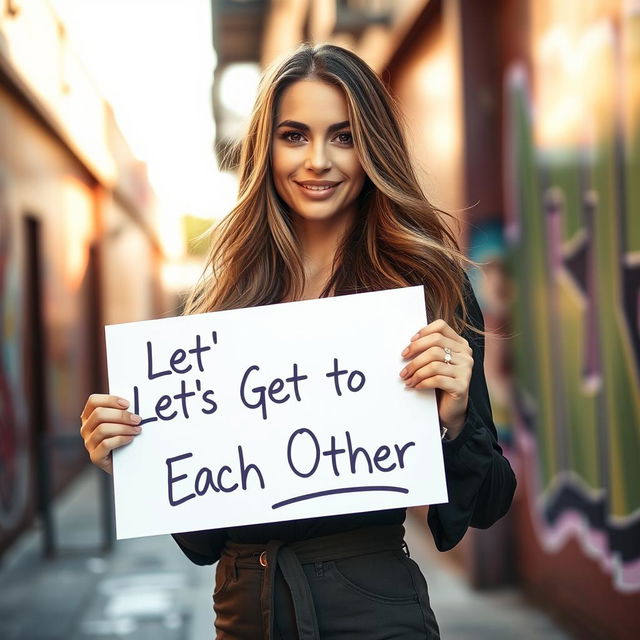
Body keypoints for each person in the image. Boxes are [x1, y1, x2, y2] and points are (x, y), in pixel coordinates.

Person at [80, 43, 516, 639]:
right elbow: (203, 541)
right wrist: (132, 459)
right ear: (266, 148)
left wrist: (454, 420)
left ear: (373, 147)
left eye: (343, 136)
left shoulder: (423, 290)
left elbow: (483, 505)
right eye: (294, 135)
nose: (317, 160)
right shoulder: (221, 306)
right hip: (243, 614)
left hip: (374, 610)